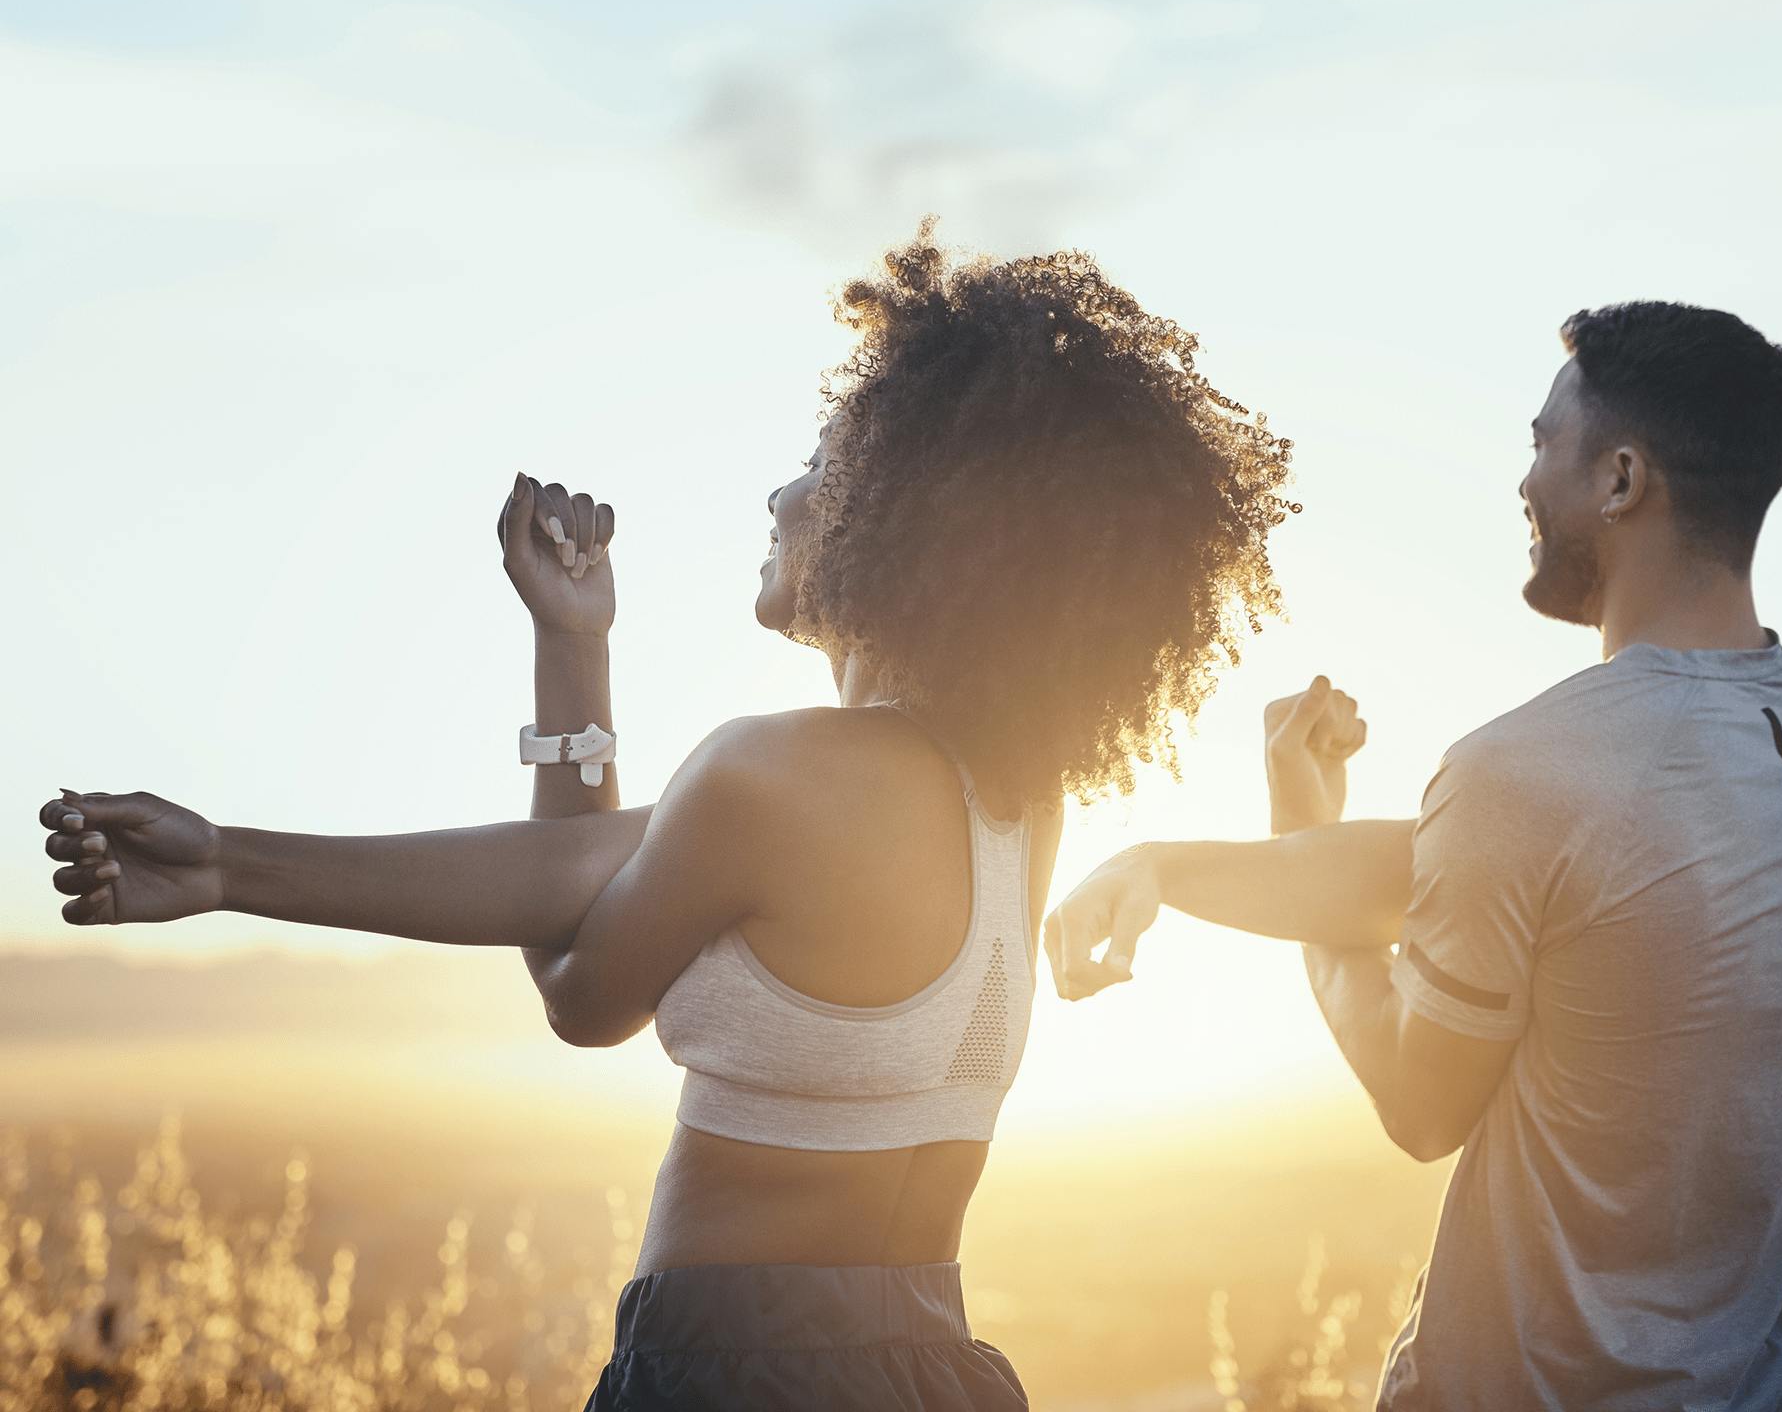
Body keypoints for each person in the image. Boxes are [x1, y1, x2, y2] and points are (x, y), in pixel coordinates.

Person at [39, 226, 1374, 1412]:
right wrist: (577, 645)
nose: (782, 497)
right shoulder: (1014, 800)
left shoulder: (779, 775)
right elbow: (573, 872)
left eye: (820, 466)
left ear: (914, 523)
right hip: (935, 1364)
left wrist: (223, 868)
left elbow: (577, 981)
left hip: (735, 1368)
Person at [1047, 300, 1782, 1412]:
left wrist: (1292, 841)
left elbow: (1418, 1103)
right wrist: (1169, 864)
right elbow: (1518, 878)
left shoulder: (1526, 767)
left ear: (1621, 480)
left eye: (1540, 444)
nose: (1524, 481)